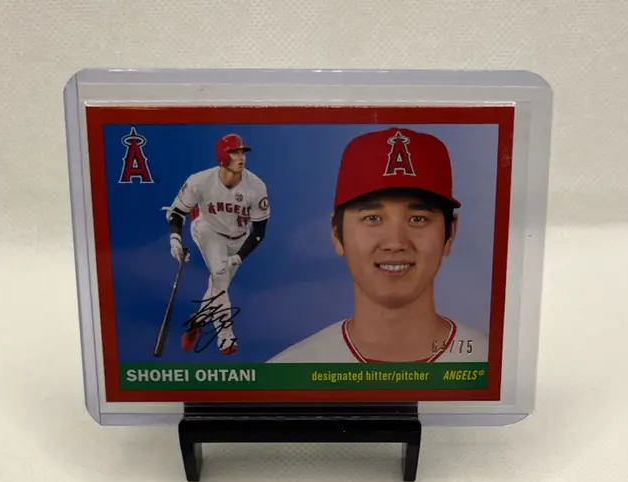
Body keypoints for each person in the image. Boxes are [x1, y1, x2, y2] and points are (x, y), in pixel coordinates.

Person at [268, 127, 487, 363]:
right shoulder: (290, 370)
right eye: (372, 218)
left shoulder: (494, 364)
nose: (395, 243)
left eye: (418, 219)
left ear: (450, 233)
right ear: (336, 234)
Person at [164, 133, 270, 355]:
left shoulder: (256, 186)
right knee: (220, 276)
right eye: (235, 152)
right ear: (223, 156)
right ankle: (226, 338)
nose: (241, 157)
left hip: (240, 238)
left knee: (218, 285)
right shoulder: (200, 180)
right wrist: (175, 239)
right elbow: (177, 212)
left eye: (242, 152)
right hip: (208, 229)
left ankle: (198, 321)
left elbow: (259, 232)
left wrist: (240, 256)